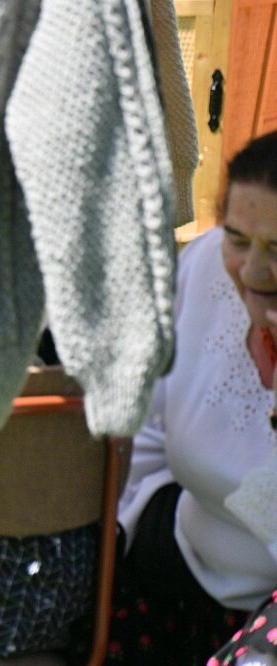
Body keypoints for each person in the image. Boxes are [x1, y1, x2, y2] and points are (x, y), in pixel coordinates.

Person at [107, 129, 277, 663]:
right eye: (238, 240)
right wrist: (130, 532)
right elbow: (145, 425)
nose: (253, 270)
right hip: (180, 562)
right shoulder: (202, 267)